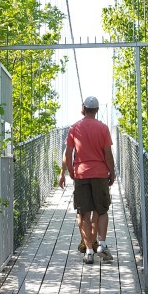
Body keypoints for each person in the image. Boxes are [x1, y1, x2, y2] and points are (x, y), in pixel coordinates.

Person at [58, 96, 116, 264]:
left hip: (81, 174)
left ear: (83, 109)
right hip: (100, 174)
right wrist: (112, 172)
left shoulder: (74, 128)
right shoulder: (103, 128)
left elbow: (68, 153)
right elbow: (108, 154)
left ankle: (89, 251)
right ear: (97, 110)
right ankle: (102, 245)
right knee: (102, 210)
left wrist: (69, 172)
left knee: (84, 213)